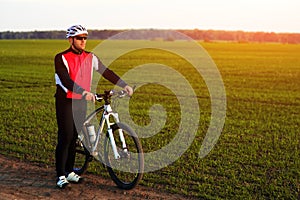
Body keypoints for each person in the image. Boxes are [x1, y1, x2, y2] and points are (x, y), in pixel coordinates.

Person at [54, 25, 133, 189]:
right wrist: (83, 92)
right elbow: (65, 80)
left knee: (75, 136)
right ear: (71, 40)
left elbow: (106, 72)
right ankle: (60, 175)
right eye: (79, 38)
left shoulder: (91, 57)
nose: (83, 41)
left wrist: (124, 85)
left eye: (85, 38)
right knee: (66, 136)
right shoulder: (61, 57)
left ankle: (70, 172)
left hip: (81, 102)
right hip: (66, 101)